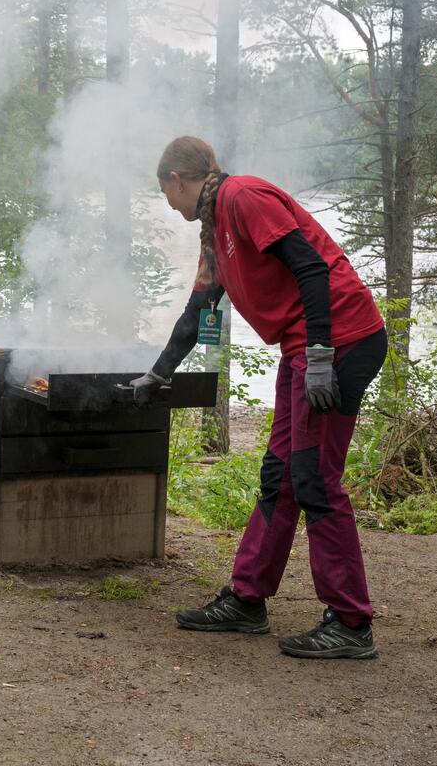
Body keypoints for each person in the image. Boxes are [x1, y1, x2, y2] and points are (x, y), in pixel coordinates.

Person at [139, 136, 387, 660]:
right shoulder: (214, 229)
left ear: (178, 179)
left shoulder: (243, 197)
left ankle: (350, 621)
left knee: (315, 478)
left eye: (167, 194)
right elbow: (198, 310)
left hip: (341, 341)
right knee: (280, 475)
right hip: (303, 349)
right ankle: (247, 600)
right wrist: (158, 374)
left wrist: (321, 357)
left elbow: (312, 267)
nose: (169, 205)